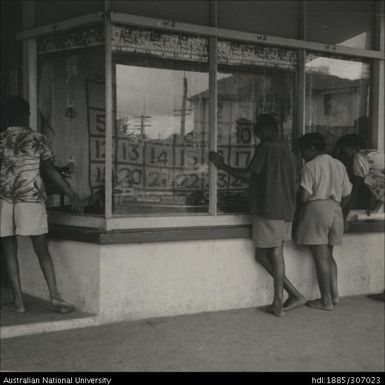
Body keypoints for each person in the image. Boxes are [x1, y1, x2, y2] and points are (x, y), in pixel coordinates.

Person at [209, 114, 306, 317]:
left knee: (265, 255)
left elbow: (247, 175)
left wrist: (221, 165)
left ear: (267, 130)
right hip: (287, 209)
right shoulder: (289, 152)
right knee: (275, 254)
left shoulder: (266, 148)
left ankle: (283, 299)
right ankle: (290, 296)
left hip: (269, 208)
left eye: (259, 132)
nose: (258, 137)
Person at [0, 96, 84, 313]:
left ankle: (18, 302)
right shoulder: (38, 138)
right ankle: (55, 297)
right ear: (26, 115)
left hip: (4, 199)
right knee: (41, 249)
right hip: (31, 198)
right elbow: (49, 170)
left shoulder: (1, 140)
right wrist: (72, 194)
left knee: (9, 250)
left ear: (6, 116)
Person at [296, 133, 352, 311]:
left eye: (303, 151)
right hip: (336, 210)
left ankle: (326, 300)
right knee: (329, 255)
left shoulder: (310, 166)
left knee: (321, 258)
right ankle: (334, 295)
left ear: (311, 149)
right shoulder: (339, 164)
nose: (302, 155)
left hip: (317, 210)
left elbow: (304, 197)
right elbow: (347, 194)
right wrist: (335, 206)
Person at [335, 134, 384, 218]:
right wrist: (374, 210)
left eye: (345, 154)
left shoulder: (358, 157)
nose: (344, 159)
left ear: (356, 148)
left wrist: (345, 213)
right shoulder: (371, 154)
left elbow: (356, 190)